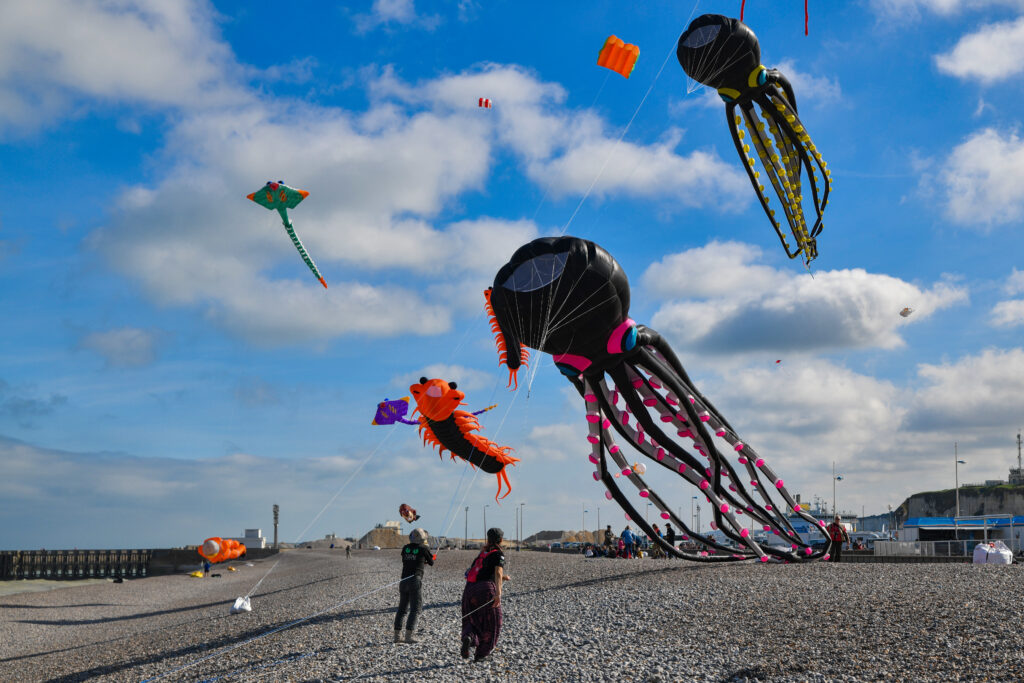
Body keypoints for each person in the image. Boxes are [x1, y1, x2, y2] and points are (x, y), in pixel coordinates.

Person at [461, 527, 509, 662]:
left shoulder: (482, 553)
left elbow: (482, 571)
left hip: (469, 589)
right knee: (493, 622)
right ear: (500, 539)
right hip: (486, 589)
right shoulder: (498, 553)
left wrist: (503, 577)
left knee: (472, 618)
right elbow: (497, 572)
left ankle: (468, 638)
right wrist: (498, 594)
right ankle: (481, 654)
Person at [394, 528, 434, 644]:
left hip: (403, 581)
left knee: (402, 609)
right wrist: (428, 558)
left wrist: (422, 560)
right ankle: (408, 636)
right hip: (415, 580)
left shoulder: (405, 548)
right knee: (415, 609)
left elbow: (408, 560)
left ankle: (397, 636)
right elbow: (431, 562)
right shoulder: (423, 548)